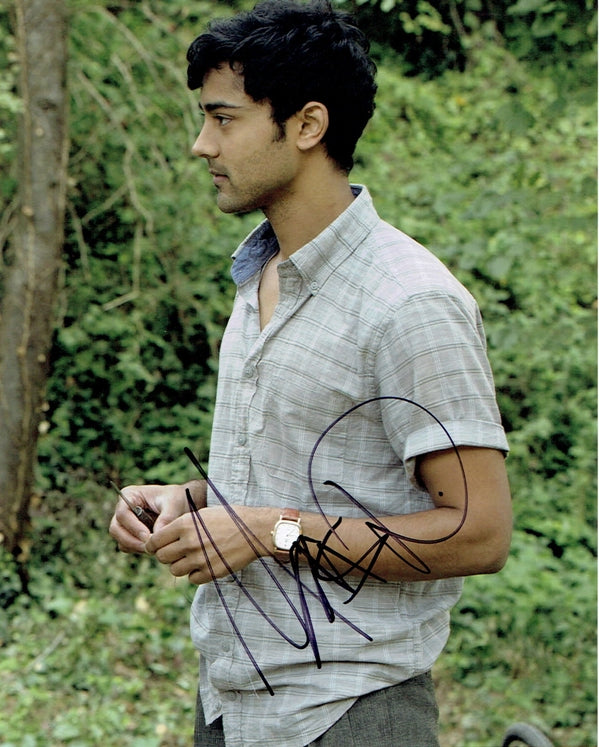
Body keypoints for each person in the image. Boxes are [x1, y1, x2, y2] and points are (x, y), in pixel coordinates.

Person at [109, 1, 512, 745]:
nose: (201, 145)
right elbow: (298, 477)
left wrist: (270, 531)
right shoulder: (259, 275)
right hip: (230, 702)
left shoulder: (409, 300)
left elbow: (478, 532)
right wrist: (186, 500)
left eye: (223, 119)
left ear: (307, 126)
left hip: (349, 712)